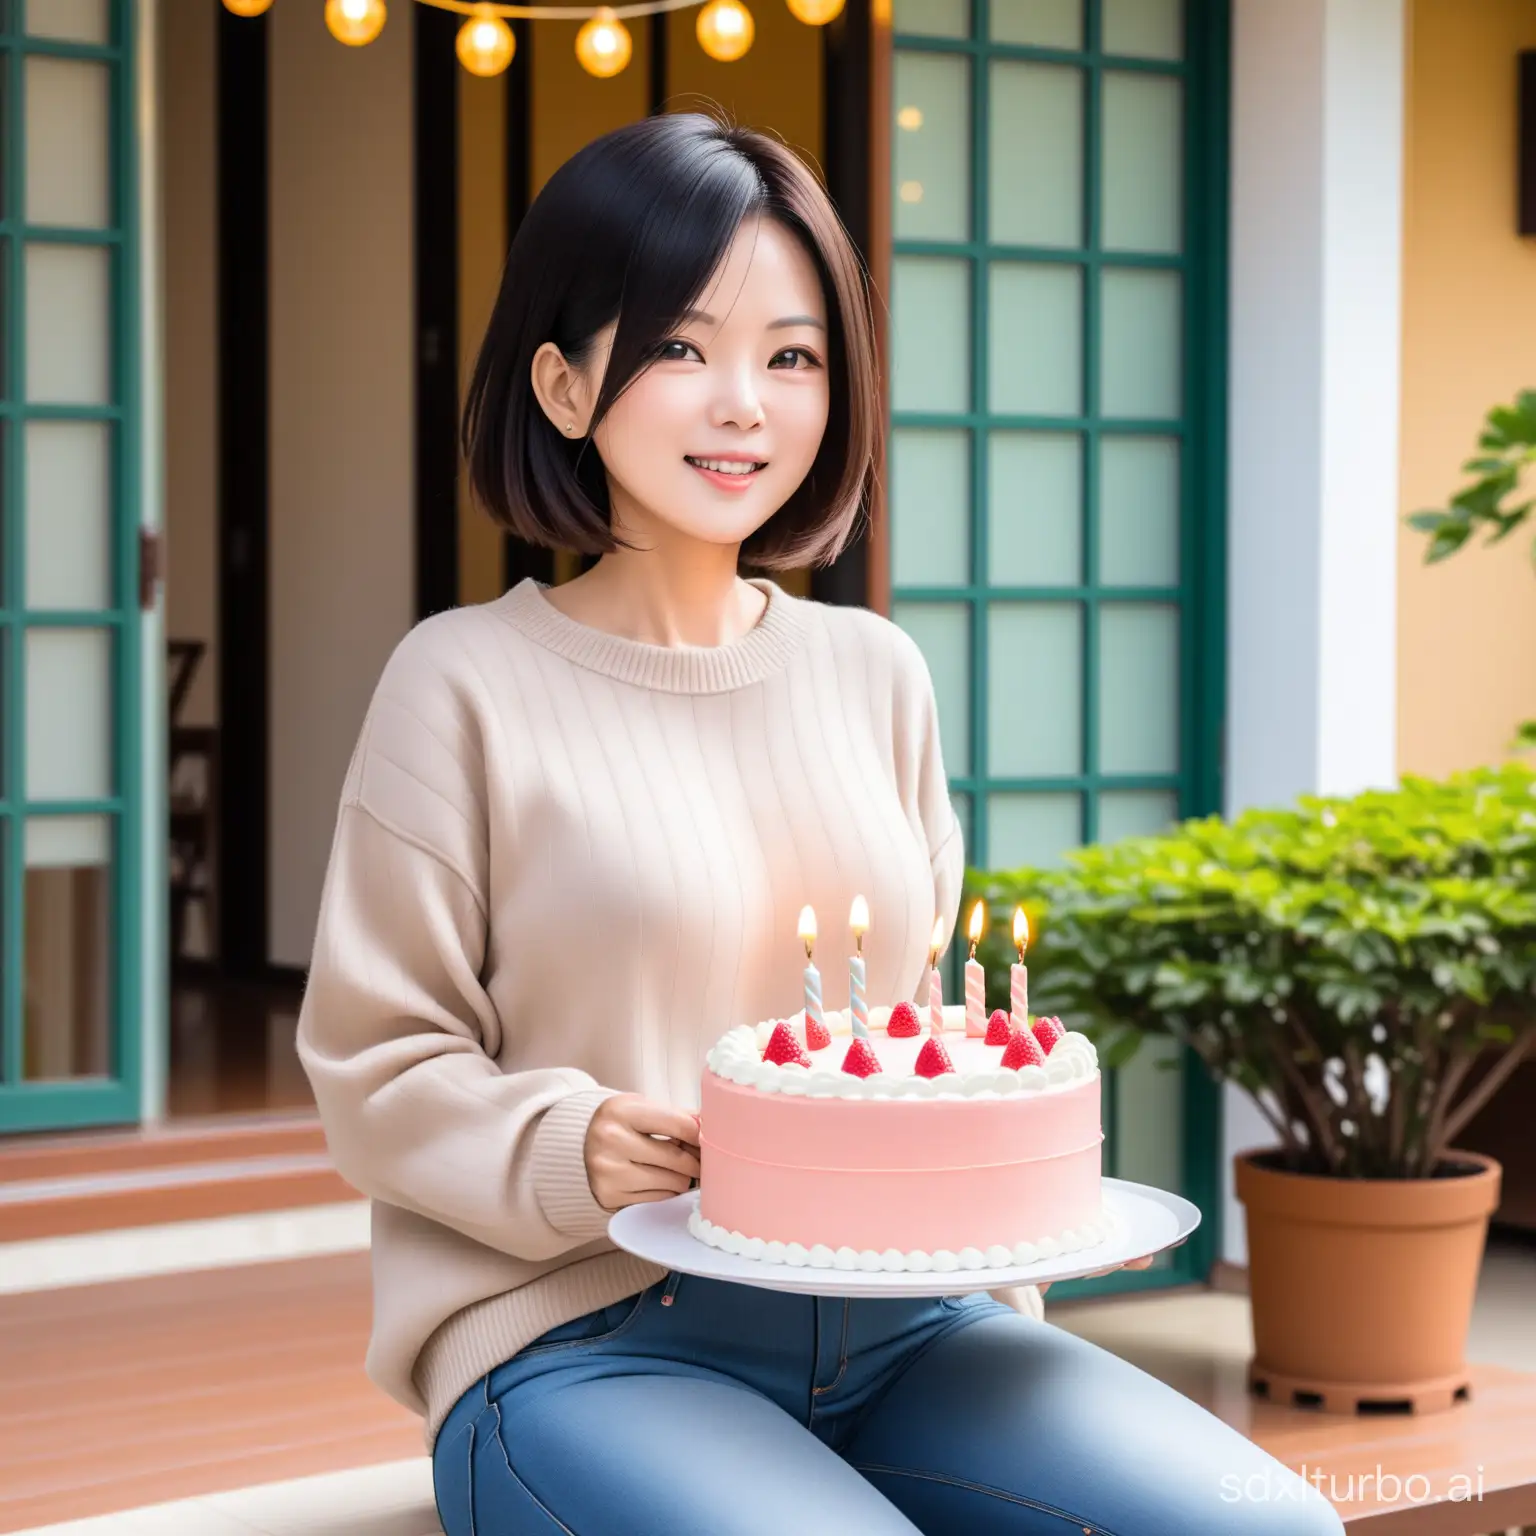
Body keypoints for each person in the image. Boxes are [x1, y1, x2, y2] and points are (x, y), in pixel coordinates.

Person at [297, 113, 1344, 1536]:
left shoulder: (874, 675)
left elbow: (907, 1045)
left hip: (916, 1330)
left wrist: (1002, 1283)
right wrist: (567, 1143)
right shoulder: (461, 683)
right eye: (679, 347)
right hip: (588, 1346)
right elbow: (374, 1066)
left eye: (791, 356)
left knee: (1264, 1527)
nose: (744, 403)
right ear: (561, 380)